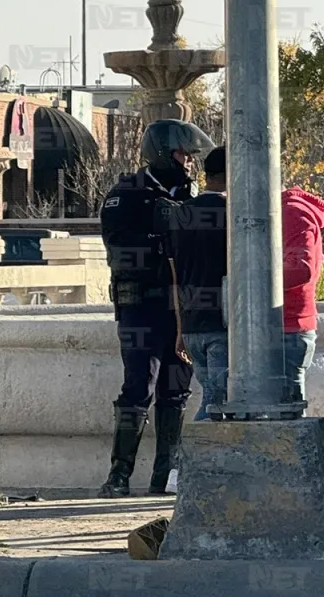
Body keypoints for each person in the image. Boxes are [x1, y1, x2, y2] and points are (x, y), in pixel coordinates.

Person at [97, 119, 215, 498]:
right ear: (163, 153)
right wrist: (160, 238)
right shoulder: (126, 193)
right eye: (184, 154)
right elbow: (118, 250)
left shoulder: (191, 193)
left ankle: (166, 476)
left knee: (176, 390)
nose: (189, 162)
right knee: (137, 387)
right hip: (141, 306)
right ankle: (119, 475)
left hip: (182, 306)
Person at [168, 146, 228, 423]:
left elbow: (175, 274)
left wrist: (181, 330)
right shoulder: (235, 215)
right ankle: (186, 463)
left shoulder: (180, 214)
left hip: (193, 325)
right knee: (216, 405)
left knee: (211, 397)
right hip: (223, 326)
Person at [281, 186, 324, 408]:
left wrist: (251, 281)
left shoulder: (292, 212)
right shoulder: (290, 210)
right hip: (288, 324)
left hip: (289, 325)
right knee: (285, 410)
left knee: (288, 412)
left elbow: (301, 268)